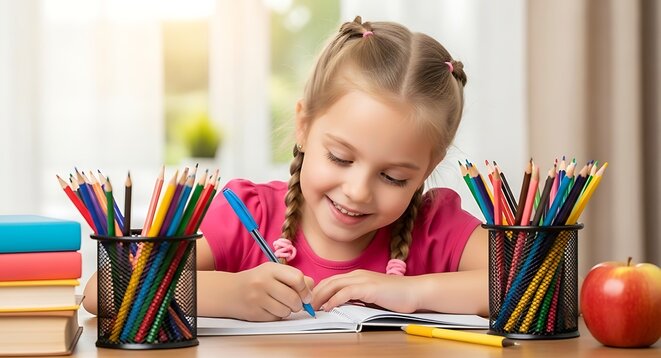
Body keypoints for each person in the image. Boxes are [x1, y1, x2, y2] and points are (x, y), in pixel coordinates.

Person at [82, 15, 488, 321]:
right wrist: (229, 294)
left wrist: (414, 293)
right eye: (340, 158)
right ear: (304, 125)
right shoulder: (249, 213)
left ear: (428, 168)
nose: (358, 190)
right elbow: (102, 291)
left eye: (394, 178)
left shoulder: (436, 226)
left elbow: (547, 286)